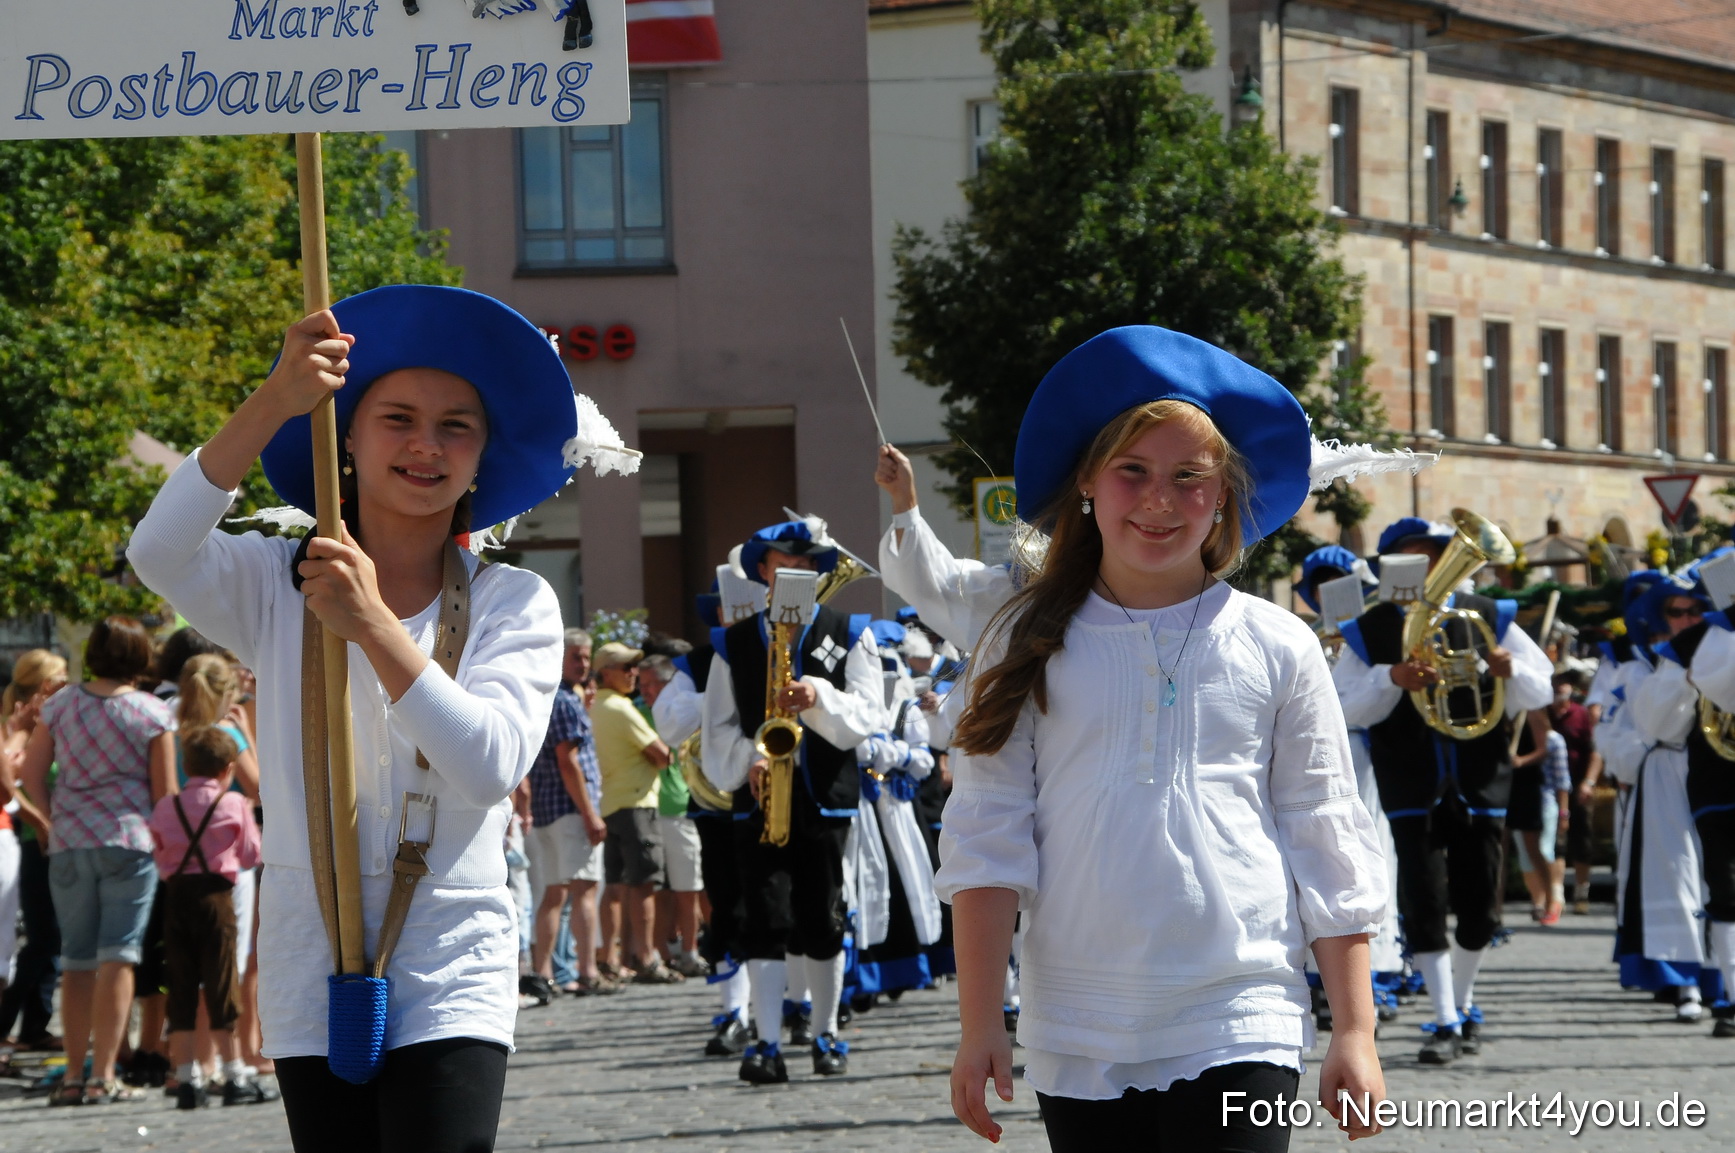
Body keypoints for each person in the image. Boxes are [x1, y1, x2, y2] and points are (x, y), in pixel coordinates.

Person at [126, 284, 635, 1150]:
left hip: (451, 950)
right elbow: (157, 550)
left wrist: (367, 623)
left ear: (483, 456)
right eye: (396, 417)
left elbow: (486, 765)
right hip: (309, 942)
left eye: (455, 426)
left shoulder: (517, 600)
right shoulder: (275, 580)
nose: (425, 446)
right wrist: (275, 398)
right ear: (348, 436)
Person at [941, 327, 1389, 1150]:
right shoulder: (1020, 641)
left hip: (1239, 1006)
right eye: (1132, 471)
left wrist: (1353, 1028)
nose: (1158, 500)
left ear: (1224, 493)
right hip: (1078, 1017)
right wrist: (980, 1023)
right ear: (1085, 480)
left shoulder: (1276, 642)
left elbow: (1323, 827)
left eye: (1189, 478)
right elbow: (986, 835)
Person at [1334, 516, 1553, 1065]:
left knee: (1481, 906)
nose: (1431, 563)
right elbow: (1341, 704)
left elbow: (1541, 682)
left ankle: (1463, 999)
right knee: (1425, 898)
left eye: (1439, 553)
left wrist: (1508, 669)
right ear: (1392, 565)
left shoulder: (1486, 615)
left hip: (1481, 775)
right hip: (1411, 780)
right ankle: (1445, 1015)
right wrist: (1392, 679)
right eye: (1417, 554)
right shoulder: (1371, 626)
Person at [701, 519, 887, 1084]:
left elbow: (870, 717)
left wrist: (818, 695)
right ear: (763, 571)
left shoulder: (851, 631)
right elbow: (718, 728)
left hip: (824, 800)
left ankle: (827, 1033)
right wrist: (748, 758)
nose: (797, 572)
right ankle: (764, 1043)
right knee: (763, 918)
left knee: (822, 917)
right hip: (758, 801)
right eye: (785, 562)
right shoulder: (731, 641)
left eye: (808, 564)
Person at [18, 617, 175, 1105]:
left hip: (70, 841)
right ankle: (104, 1072)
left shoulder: (60, 705)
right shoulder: (152, 712)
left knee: (77, 959)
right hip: (129, 842)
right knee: (120, 956)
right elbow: (165, 793)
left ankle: (72, 1075)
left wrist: (50, 819)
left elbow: (31, 773)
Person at [147, 725, 274, 1108]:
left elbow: (158, 851)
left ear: (187, 764)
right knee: (221, 985)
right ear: (228, 768)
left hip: (177, 898)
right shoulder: (233, 804)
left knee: (182, 986)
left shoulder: (166, 806)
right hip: (217, 899)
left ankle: (187, 1080)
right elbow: (253, 854)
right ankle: (235, 1075)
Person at [1634, 576, 1735, 1036]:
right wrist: (1688, 678)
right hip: (1707, 776)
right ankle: (1725, 994)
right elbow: (1653, 723)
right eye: (1677, 613)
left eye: (1696, 610)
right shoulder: (1681, 653)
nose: (1688, 620)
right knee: (1719, 882)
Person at [520, 629, 614, 1004]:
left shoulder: (547, 699)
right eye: (576, 656)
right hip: (571, 811)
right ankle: (587, 972)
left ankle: (544, 973)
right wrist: (591, 814)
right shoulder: (565, 701)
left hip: (547, 810)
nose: (584, 664)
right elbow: (568, 760)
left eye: (586, 657)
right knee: (585, 891)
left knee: (553, 894)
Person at [590, 642, 681, 984]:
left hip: (608, 803)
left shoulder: (594, 706)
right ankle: (646, 956)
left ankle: (609, 957)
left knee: (613, 885)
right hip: (637, 804)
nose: (632, 674)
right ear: (607, 673)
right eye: (626, 667)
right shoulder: (622, 708)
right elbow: (662, 755)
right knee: (643, 884)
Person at [0, 650, 67, 1052]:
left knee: (48, 938)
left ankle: (33, 1026)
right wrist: (41, 822)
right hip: (27, 839)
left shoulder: (44, 721)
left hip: (39, 835)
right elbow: (13, 780)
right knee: (41, 936)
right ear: (44, 684)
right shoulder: (20, 726)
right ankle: (9, 1025)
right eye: (59, 678)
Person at [637, 654, 708, 977]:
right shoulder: (637, 712)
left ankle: (691, 951)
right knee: (660, 888)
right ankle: (664, 951)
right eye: (643, 684)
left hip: (680, 806)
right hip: (650, 807)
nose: (646, 691)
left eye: (652, 684)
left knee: (688, 886)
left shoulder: (684, 709)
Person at [1548, 670, 1600, 914]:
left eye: (1563, 684)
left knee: (1582, 839)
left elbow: (1595, 751)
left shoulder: (1581, 715)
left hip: (1578, 783)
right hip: (1551, 785)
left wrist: (1588, 782)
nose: (1559, 689)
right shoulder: (1542, 713)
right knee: (1554, 840)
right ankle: (1556, 894)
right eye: (1555, 685)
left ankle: (1581, 892)